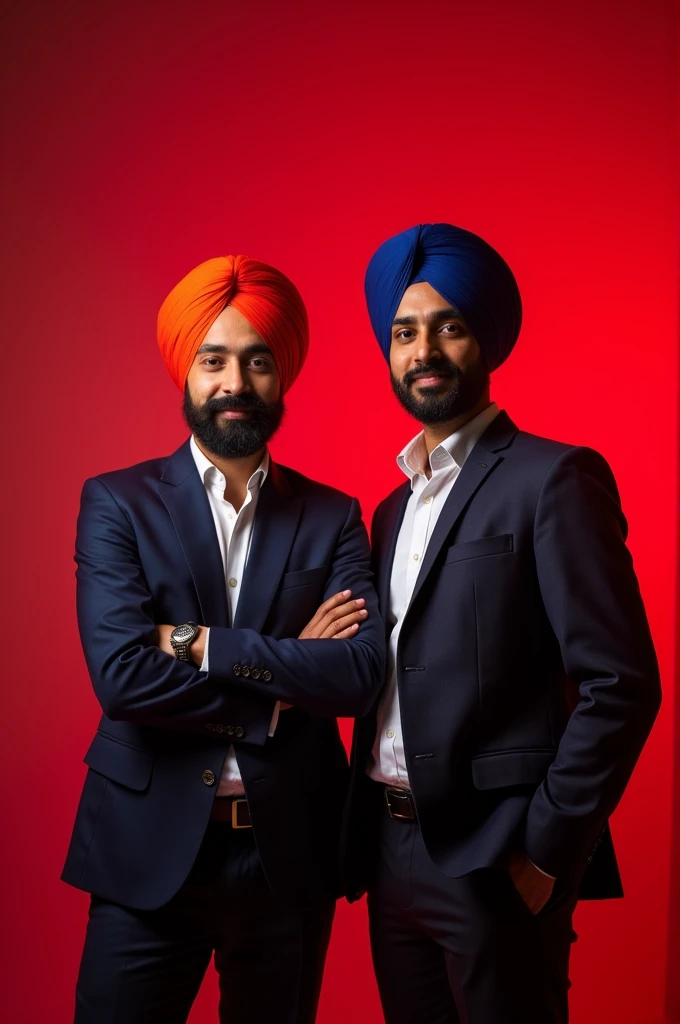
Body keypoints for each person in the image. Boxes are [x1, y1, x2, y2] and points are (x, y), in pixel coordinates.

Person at [342, 223, 661, 1023]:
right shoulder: (389, 510)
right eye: (404, 332)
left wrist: (548, 850)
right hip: (390, 852)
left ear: (485, 339)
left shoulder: (554, 479)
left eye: (448, 327)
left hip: (497, 855)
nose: (425, 352)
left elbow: (620, 684)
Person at [62, 254, 385, 1024]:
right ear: (186, 371)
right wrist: (283, 678)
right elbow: (122, 680)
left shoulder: (334, 515)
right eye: (214, 360)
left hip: (287, 858)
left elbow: (359, 676)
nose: (235, 382)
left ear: (284, 376)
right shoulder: (117, 503)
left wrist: (196, 642)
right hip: (145, 850)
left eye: (258, 361)